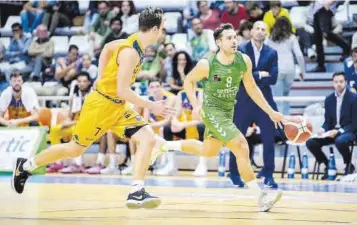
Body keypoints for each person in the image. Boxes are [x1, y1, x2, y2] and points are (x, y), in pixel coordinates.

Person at [11, 7, 175, 210]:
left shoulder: (134, 42)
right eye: (162, 28)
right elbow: (123, 91)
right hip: (100, 106)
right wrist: (151, 105)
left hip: (117, 107)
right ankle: (26, 166)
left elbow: (106, 48)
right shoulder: (131, 52)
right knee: (73, 149)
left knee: (148, 138)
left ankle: (136, 191)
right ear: (154, 29)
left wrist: (99, 76)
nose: (163, 32)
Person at [155, 23, 285, 211]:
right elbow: (189, 81)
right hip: (212, 111)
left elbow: (252, 88)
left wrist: (271, 112)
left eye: (235, 37)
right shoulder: (207, 64)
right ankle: (260, 196)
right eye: (229, 38)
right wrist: (196, 104)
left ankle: (164, 145)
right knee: (241, 145)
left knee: (209, 151)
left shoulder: (244, 60)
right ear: (218, 42)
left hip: (228, 111)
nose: (234, 41)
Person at [230, 21, 280, 188]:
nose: (260, 32)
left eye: (263, 29)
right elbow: (239, 75)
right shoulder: (241, 50)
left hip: (264, 102)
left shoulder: (272, 53)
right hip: (244, 101)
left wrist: (252, 76)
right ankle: (234, 173)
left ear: (266, 33)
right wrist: (260, 75)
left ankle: (269, 174)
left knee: (269, 139)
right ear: (251, 31)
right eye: (257, 28)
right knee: (237, 139)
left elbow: (273, 78)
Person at [306, 72, 357, 179]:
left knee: (340, 140)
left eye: (341, 82)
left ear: (346, 82)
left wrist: (338, 131)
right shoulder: (329, 99)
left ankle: (349, 164)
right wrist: (322, 129)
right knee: (311, 142)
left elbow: (356, 124)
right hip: (334, 132)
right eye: (336, 82)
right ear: (333, 83)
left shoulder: (354, 98)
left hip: (352, 131)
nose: (338, 84)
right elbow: (327, 121)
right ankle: (328, 166)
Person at [49, 72, 92, 174]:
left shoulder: (93, 96)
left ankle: (78, 164)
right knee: (55, 129)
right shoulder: (74, 97)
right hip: (75, 124)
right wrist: (66, 122)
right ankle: (58, 162)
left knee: (75, 130)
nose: (81, 84)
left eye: (84, 81)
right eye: (79, 81)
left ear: (89, 83)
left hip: (90, 127)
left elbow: (90, 119)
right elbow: (70, 116)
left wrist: (71, 123)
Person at [266, 17, 305, 116]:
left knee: (278, 99)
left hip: (276, 69)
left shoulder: (269, 38)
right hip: (289, 69)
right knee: (286, 95)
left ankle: (280, 125)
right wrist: (302, 70)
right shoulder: (292, 37)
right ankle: (286, 120)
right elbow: (299, 55)